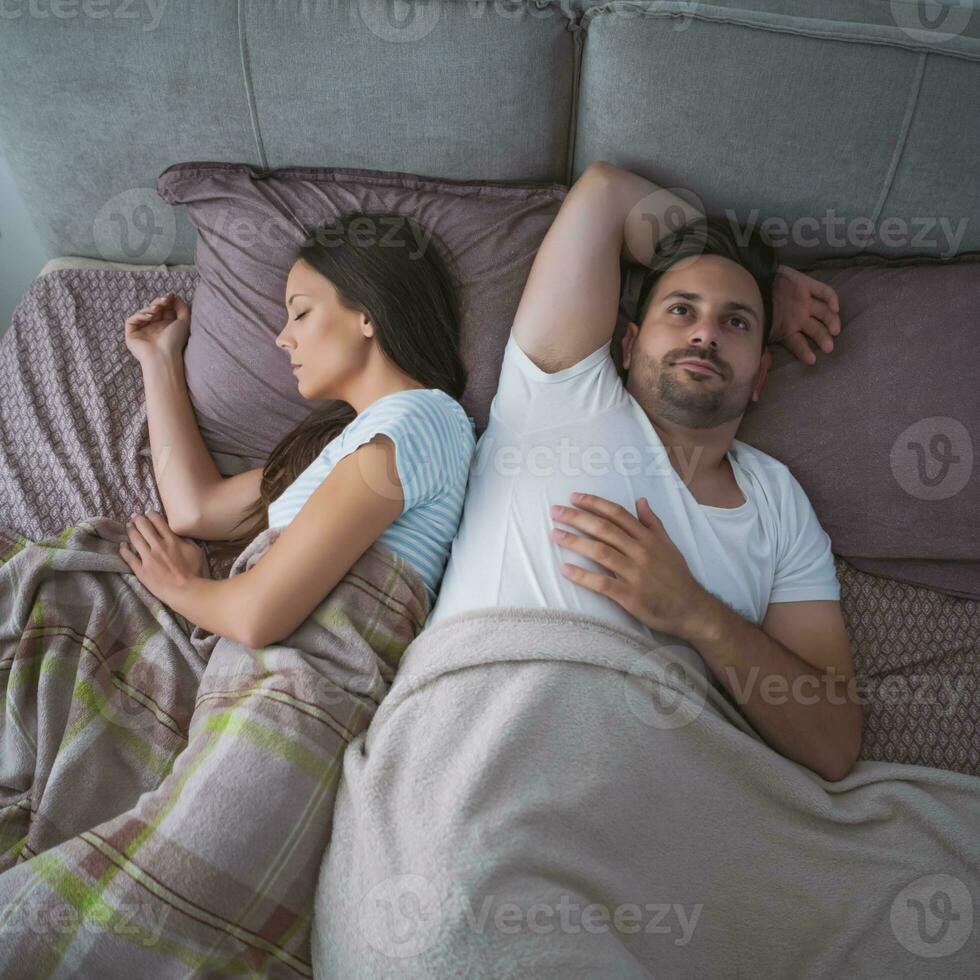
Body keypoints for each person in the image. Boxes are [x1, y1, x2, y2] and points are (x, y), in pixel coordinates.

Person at [426, 162, 862, 782]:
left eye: (737, 321)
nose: (706, 333)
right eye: (682, 310)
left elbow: (835, 744)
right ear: (628, 346)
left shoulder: (778, 501)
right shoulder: (558, 388)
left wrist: (697, 614)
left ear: (762, 374)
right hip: (476, 734)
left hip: (660, 785)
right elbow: (604, 193)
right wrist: (770, 283)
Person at [120, 212, 477, 642]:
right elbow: (195, 509)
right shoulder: (347, 447)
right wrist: (159, 360)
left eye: (301, 313)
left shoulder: (419, 421)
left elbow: (255, 616)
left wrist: (181, 587)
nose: (282, 338)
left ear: (367, 314)